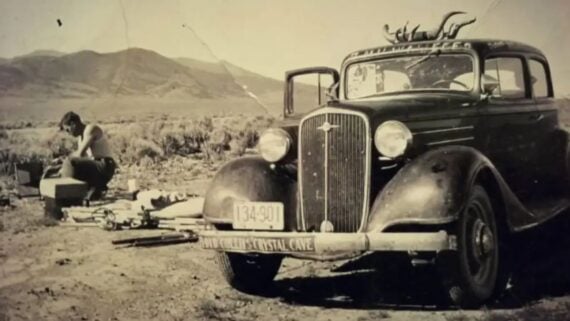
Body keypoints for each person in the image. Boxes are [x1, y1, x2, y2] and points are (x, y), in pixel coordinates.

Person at [57, 112, 116, 199]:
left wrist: (65, 161)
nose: (69, 133)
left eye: (68, 130)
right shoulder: (81, 139)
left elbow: (80, 154)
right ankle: (94, 188)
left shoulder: (90, 129)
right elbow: (81, 157)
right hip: (96, 166)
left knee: (70, 162)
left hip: (105, 166)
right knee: (69, 166)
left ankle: (68, 193)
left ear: (73, 124)